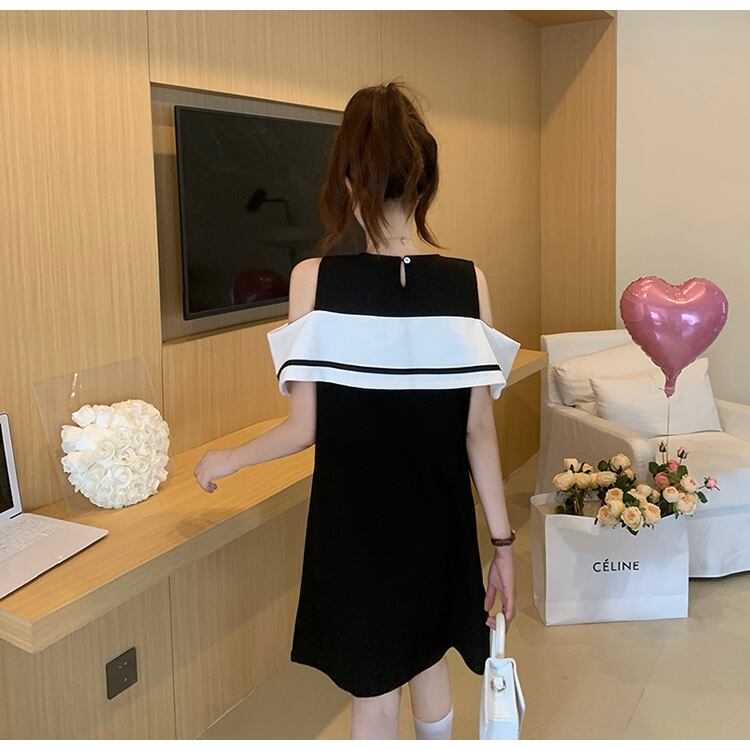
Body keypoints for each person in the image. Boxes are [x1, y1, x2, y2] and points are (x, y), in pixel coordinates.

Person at [194, 80, 517, 741]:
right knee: (429, 658)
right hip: (439, 521)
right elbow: (478, 430)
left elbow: (302, 429)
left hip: (356, 529)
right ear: (424, 179)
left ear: (347, 179)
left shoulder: (313, 280)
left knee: (374, 692)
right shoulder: (468, 282)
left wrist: (227, 458)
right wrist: (503, 545)